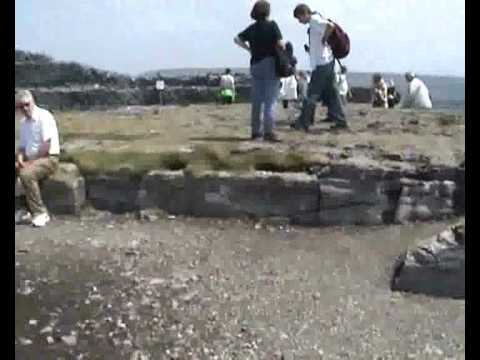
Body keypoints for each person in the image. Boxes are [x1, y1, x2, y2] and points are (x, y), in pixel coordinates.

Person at [292, 4, 348, 131]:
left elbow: (330, 26)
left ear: (304, 13)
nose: (300, 21)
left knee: (312, 93)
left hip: (322, 63)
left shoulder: (314, 20)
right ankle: (340, 120)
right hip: (327, 61)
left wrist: (324, 39)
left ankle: (303, 122)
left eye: (299, 18)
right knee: (332, 93)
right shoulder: (315, 20)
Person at [234, 0, 284, 141]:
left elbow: (237, 39)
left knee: (257, 100)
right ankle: (269, 132)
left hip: (255, 64)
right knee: (270, 100)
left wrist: (249, 49)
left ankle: (256, 132)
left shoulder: (252, 28)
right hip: (270, 63)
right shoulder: (272, 25)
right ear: (267, 12)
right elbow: (280, 44)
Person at [15, 90, 60, 227]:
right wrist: (20, 158)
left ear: (33, 103)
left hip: (48, 158)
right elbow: (22, 146)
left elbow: (46, 145)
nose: (25, 109)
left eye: (27, 105)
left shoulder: (44, 117)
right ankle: (23, 209)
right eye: (21, 106)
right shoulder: (23, 123)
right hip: (31, 158)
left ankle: (40, 212)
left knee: (27, 174)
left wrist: (30, 163)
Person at [279, 42, 298, 109]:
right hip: (288, 75)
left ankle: (287, 105)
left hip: (285, 76)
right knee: (290, 92)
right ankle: (289, 105)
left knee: (285, 92)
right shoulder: (291, 57)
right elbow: (294, 68)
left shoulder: (283, 56)